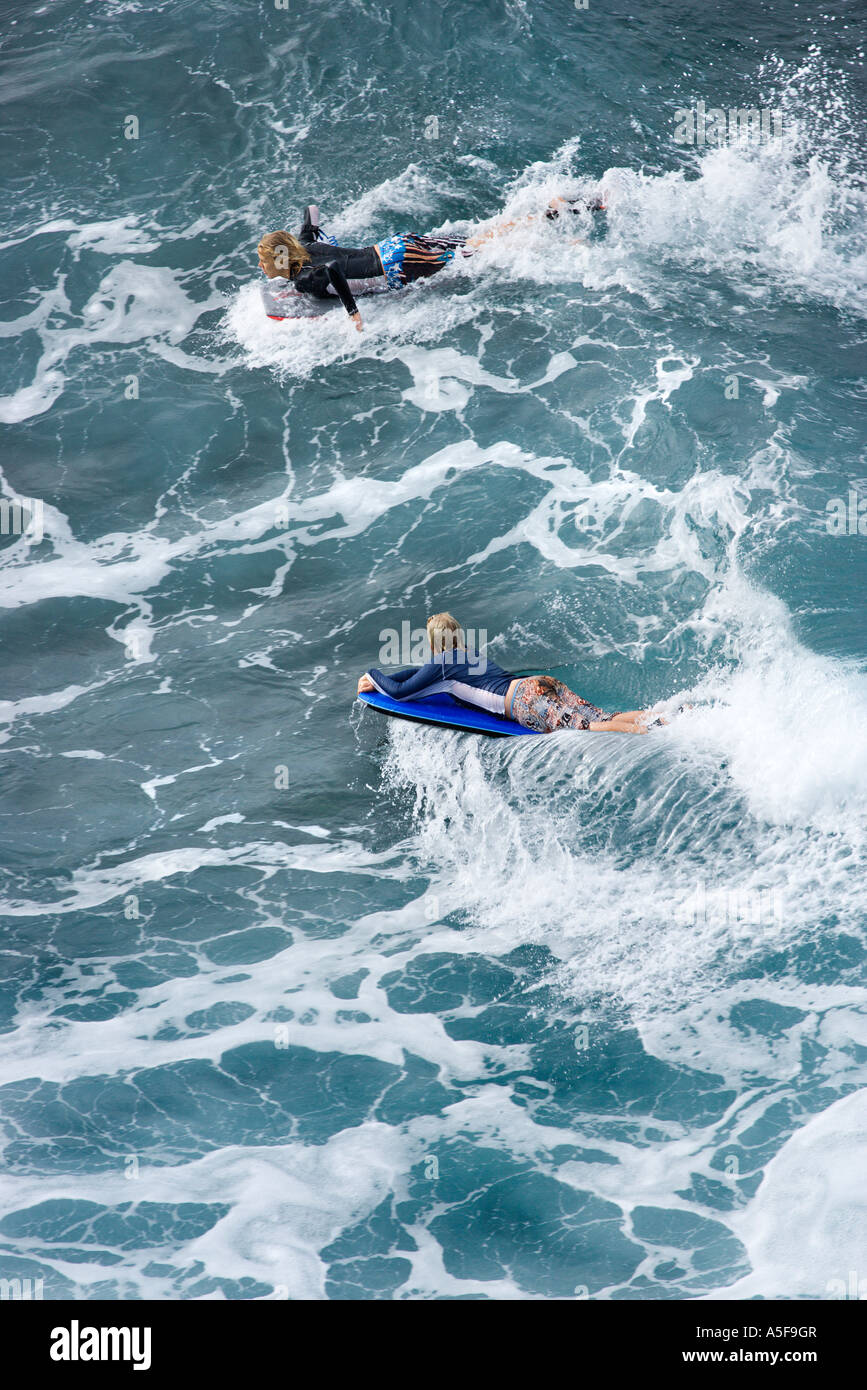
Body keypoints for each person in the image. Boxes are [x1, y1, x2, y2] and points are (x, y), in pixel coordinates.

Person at [258, 193, 607, 328]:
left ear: (278, 261)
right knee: (480, 240)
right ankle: (559, 210)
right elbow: (312, 211)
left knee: (484, 255)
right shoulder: (304, 243)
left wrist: (353, 313)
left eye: (263, 261)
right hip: (396, 245)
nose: (261, 267)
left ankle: (559, 241)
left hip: (399, 266)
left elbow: (333, 271)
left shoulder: (305, 277)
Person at [357, 612, 663, 734]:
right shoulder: (469, 655)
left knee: (586, 730)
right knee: (603, 717)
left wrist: (372, 674)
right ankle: (662, 720)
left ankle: (646, 735)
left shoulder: (441, 663)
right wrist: (392, 674)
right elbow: (416, 674)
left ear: (433, 641)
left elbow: (401, 691)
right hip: (537, 685)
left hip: (524, 702)